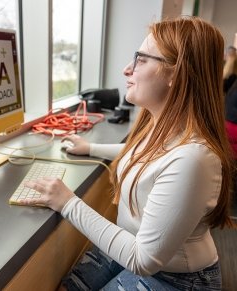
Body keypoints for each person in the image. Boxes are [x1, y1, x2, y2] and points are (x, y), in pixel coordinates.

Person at [22, 16, 235, 290]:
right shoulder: (164, 131)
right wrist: (91, 148)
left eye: (141, 59)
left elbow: (144, 261)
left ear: (176, 73)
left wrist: (68, 203)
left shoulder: (194, 159)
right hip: (132, 245)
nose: (127, 69)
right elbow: (148, 156)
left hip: (175, 276)